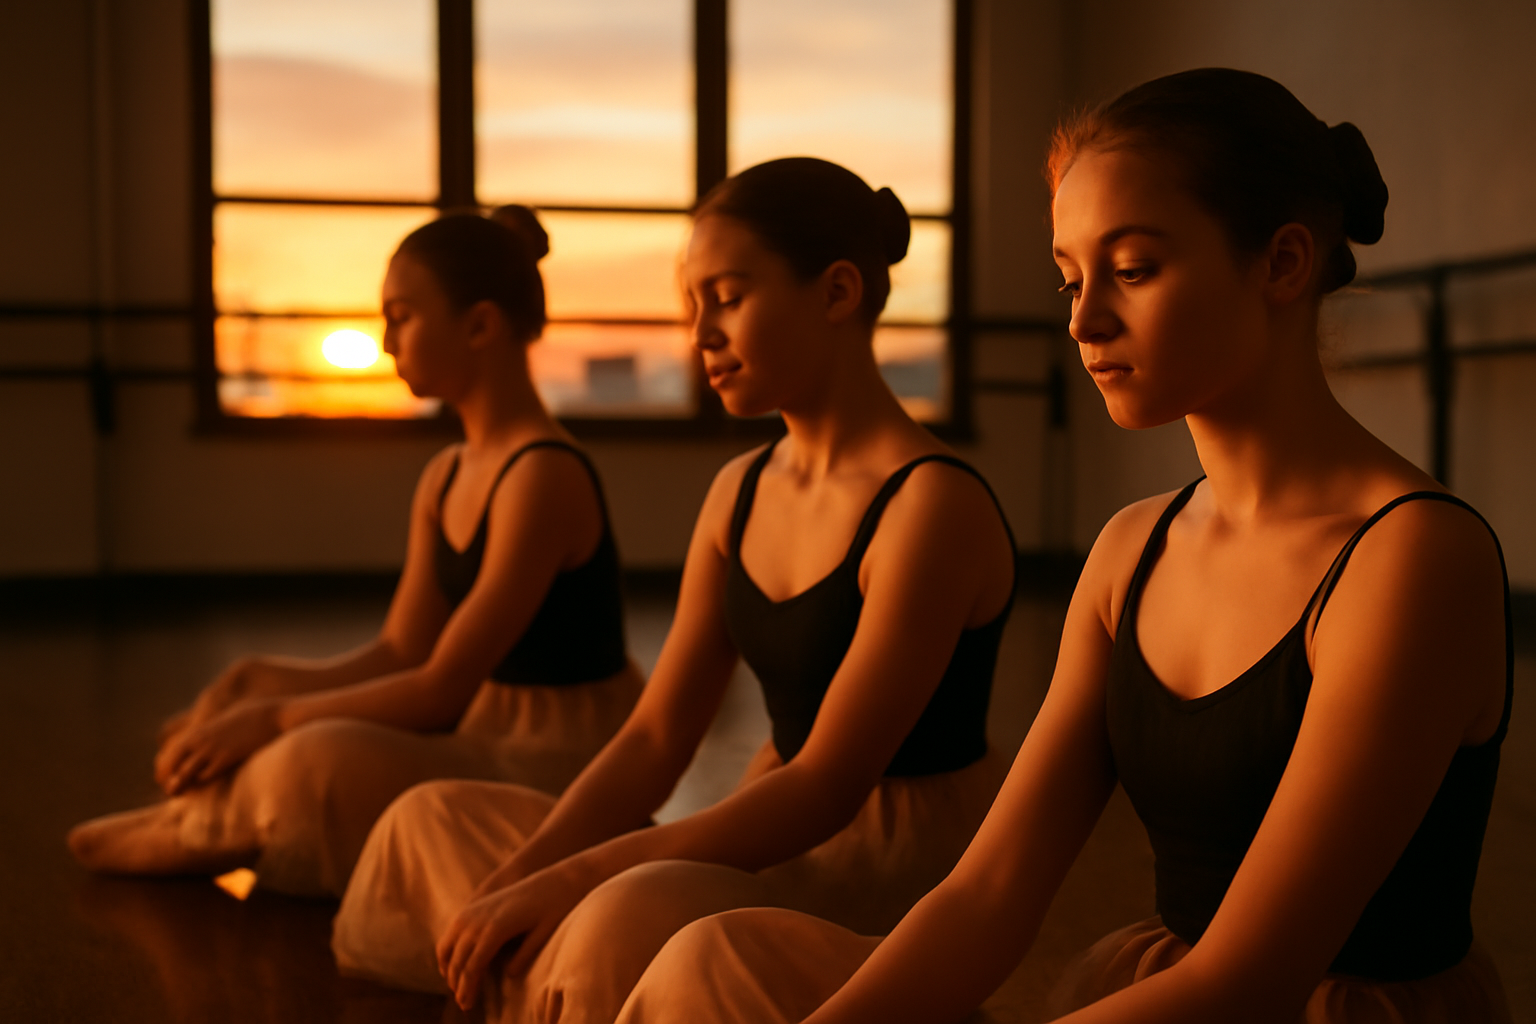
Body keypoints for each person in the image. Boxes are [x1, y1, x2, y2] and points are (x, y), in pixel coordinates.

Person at [614, 69, 1515, 1024]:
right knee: (710, 957)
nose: (1084, 322)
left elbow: (1248, 980)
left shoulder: (1412, 558)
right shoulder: (1131, 551)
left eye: (1131, 270)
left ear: (1282, 264)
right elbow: (986, 892)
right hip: (1159, 994)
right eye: (1070, 279)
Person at [329, 157, 1018, 1022]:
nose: (700, 334)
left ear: (838, 293)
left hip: (886, 867)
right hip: (768, 824)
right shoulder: (739, 490)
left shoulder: (930, 506)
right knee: (442, 819)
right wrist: (525, 875)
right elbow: (657, 735)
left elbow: (826, 786)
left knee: (621, 909)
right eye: (693, 303)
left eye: (728, 297)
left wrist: (580, 876)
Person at [67, 208, 644, 898]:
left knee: (314, 751)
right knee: (253, 682)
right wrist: (263, 688)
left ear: (481, 325)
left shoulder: (543, 475)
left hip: (550, 756)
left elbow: (440, 689)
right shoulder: (447, 474)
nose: (385, 340)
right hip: (480, 722)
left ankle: (201, 828)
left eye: (401, 316)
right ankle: (199, 817)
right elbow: (402, 649)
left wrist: (275, 719)